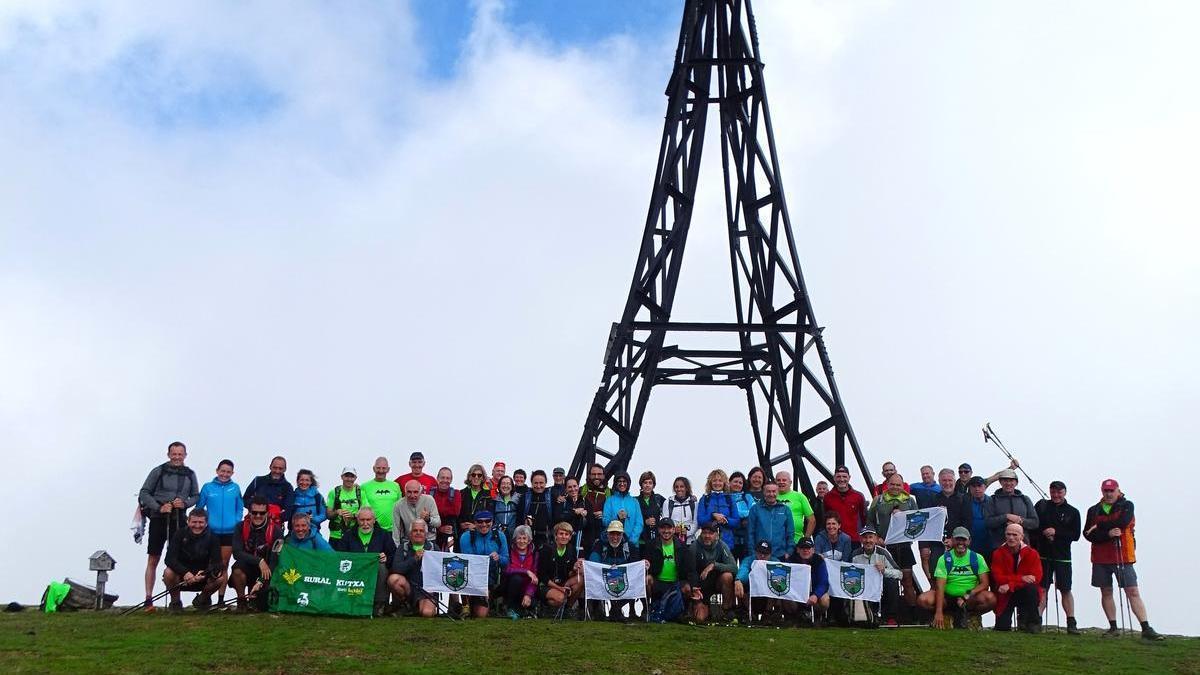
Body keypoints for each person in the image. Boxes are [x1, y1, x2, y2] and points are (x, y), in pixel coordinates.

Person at [1084, 479, 1164, 640]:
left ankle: (1145, 627)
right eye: (1105, 490)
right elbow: (1087, 534)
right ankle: (1113, 627)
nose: (1108, 493)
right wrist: (1107, 533)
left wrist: (1098, 526)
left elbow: (1122, 523)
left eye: (1111, 490)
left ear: (1118, 490)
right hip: (1100, 557)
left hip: (1124, 555)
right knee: (1106, 591)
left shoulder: (1127, 505)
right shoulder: (1093, 510)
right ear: (1101, 491)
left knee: (1132, 591)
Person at [139, 441, 200, 610]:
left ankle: (175, 599)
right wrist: (159, 507)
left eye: (180, 454)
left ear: (185, 455)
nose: (177, 457)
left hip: (179, 519)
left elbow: (196, 495)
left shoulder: (190, 474)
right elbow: (144, 493)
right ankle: (148, 598)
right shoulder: (158, 471)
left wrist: (186, 504)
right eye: (174, 454)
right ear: (168, 454)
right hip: (159, 518)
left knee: (176, 558)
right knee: (153, 557)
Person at [917, 526, 995, 629]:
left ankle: (971, 615)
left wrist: (967, 595)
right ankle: (946, 615)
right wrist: (938, 612)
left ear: (969, 541)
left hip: (969, 599)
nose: (960, 543)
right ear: (952, 540)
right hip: (947, 597)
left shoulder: (977, 558)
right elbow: (940, 586)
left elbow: (985, 584)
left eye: (964, 540)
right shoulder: (944, 558)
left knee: (991, 598)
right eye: (958, 539)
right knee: (923, 600)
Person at [867, 473, 919, 620]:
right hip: (885, 547)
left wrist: (903, 515)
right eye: (892, 484)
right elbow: (869, 520)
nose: (895, 487)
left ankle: (912, 615)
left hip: (903, 546)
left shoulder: (910, 501)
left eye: (898, 485)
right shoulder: (878, 500)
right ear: (887, 485)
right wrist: (876, 537)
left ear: (903, 486)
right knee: (886, 580)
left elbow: (917, 520)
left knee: (907, 580)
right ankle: (889, 615)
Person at [1033, 479, 1081, 634]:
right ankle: (1037, 620)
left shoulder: (1073, 511)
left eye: (1059, 492)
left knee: (1065, 589)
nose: (1056, 495)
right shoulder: (1041, 506)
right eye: (1053, 491)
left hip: (1063, 556)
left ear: (1065, 492)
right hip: (1043, 555)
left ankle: (1071, 622)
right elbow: (1034, 527)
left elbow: (1075, 535)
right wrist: (1044, 533)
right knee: (1042, 588)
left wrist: (1056, 533)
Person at [332, 508, 398, 616]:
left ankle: (379, 604)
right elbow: (340, 556)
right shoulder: (348, 535)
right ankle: (349, 601)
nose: (365, 523)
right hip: (355, 571)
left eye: (368, 520)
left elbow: (393, 555)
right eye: (362, 520)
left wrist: (387, 558)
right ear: (357, 520)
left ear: (374, 520)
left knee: (382, 566)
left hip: (376, 573)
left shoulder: (384, 535)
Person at [195, 459, 241, 606]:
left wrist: (235, 521)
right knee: (210, 563)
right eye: (222, 471)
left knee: (224, 564)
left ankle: (221, 599)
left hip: (229, 532)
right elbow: (199, 507)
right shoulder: (207, 488)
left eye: (228, 472)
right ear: (217, 471)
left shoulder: (235, 488)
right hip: (211, 532)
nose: (225, 474)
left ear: (232, 473)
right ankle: (206, 596)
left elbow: (239, 507)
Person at [162, 508, 223, 611]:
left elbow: (217, 563)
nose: (197, 525)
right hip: (181, 576)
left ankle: (202, 600)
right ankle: (176, 603)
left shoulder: (213, 537)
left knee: (220, 578)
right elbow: (169, 559)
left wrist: (205, 573)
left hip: (202, 577)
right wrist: (185, 573)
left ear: (206, 523)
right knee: (168, 573)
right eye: (194, 522)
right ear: (188, 521)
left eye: (201, 522)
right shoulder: (179, 534)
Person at [230, 497, 282, 611]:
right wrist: (259, 561)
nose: (258, 516)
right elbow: (236, 553)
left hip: (267, 571)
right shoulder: (240, 527)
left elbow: (275, 561)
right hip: (247, 566)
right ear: (249, 512)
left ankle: (255, 599)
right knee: (237, 570)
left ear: (267, 513)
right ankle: (241, 601)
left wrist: (261, 581)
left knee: (262, 606)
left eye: (262, 513)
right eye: (254, 512)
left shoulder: (277, 531)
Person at [991, 522, 1043, 632]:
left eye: (1015, 535)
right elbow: (998, 577)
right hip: (1005, 594)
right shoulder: (998, 553)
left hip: (1021, 592)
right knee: (1002, 628)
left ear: (1021, 537)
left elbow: (1036, 578)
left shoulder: (1032, 553)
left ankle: (1033, 622)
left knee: (1031, 590)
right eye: (1008, 534)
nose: (1011, 538)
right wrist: (1022, 578)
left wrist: (1010, 584)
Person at [917, 468, 966, 581]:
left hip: (959, 543)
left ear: (954, 481)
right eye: (944, 480)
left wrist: (954, 540)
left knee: (958, 576)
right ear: (939, 481)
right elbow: (928, 522)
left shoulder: (964, 499)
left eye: (950, 480)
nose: (947, 483)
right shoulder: (933, 499)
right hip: (938, 544)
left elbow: (966, 522)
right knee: (936, 574)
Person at [458, 510, 509, 618]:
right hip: (471, 577)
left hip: (490, 577)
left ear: (492, 521)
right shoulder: (466, 537)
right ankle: (465, 604)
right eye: (480, 522)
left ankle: (485, 601)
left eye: (487, 521)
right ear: (475, 523)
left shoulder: (500, 536)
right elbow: (468, 561)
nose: (484, 524)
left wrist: (498, 557)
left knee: (481, 615)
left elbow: (506, 561)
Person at [589, 520, 642, 621]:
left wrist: (643, 564)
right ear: (607, 534)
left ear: (622, 534)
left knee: (636, 581)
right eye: (612, 534)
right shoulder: (599, 545)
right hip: (604, 578)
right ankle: (597, 610)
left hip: (623, 579)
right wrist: (608, 568)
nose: (615, 537)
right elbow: (593, 562)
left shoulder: (630, 546)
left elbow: (635, 564)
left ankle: (616, 609)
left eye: (618, 534)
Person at [851, 526, 903, 626]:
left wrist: (884, 571)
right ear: (861, 539)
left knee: (892, 582)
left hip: (881, 585)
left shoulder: (883, 553)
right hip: (863, 585)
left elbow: (899, 574)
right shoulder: (855, 554)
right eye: (865, 538)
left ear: (875, 539)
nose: (868, 541)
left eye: (870, 537)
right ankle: (861, 615)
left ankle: (890, 617)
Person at [646, 518, 695, 622]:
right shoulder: (651, 545)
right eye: (663, 528)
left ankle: (685, 611)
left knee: (687, 588)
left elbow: (690, 569)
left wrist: (693, 585)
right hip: (658, 582)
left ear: (673, 530)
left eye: (669, 528)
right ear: (659, 530)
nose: (666, 531)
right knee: (647, 579)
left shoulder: (682, 546)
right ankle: (648, 608)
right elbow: (645, 566)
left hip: (676, 583)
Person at [390, 519, 438, 617]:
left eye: (421, 531)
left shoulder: (434, 548)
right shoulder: (403, 547)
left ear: (426, 534)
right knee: (393, 579)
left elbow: (440, 571)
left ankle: (418, 608)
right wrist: (414, 558)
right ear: (410, 533)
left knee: (427, 613)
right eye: (415, 530)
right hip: (409, 588)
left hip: (427, 590)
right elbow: (396, 568)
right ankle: (405, 605)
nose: (418, 533)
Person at [691, 522, 736, 623]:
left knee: (727, 576)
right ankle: (698, 608)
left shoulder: (722, 546)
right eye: (704, 533)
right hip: (701, 587)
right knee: (700, 619)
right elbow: (690, 571)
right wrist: (695, 588)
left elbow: (734, 567)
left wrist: (714, 565)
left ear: (716, 535)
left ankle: (726, 611)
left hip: (717, 583)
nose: (707, 536)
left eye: (710, 533)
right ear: (701, 533)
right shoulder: (694, 546)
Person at [984, 469, 1039, 550]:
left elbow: (1035, 523)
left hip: (1023, 548)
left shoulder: (1025, 499)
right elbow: (988, 522)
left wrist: (1019, 520)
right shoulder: (992, 500)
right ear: (1000, 482)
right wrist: (1006, 517)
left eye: (1011, 480)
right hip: (999, 548)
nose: (1008, 483)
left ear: (1016, 483)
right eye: (1005, 480)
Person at [539, 522, 583, 614]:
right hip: (546, 584)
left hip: (562, 582)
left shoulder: (571, 549)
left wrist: (575, 568)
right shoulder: (547, 549)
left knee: (580, 580)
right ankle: (544, 607)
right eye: (561, 534)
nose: (564, 537)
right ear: (556, 535)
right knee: (560, 598)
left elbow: (569, 573)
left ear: (570, 537)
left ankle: (568, 609)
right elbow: (542, 577)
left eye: (566, 534)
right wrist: (560, 588)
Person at [786, 537, 831, 625]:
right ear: (798, 550)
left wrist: (816, 595)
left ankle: (818, 616)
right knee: (786, 598)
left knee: (825, 599)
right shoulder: (791, 561)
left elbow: (824, 582)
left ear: (813, 550)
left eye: (808, 548)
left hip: (814, 593)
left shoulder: (819, 560)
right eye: (803, 548)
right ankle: (793, 617)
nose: (805, 550)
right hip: (797, 594)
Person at [735, 539, 780, 622]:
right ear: (755, 552)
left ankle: (768, 613)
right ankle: (749, 612)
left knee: (777, 587)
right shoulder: (748, 560)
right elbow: (743, 569)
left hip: (767, 595)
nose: (762, 556)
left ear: (770, 554)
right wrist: (739, 580)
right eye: (760, 553)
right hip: (751, 593)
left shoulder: (776, 562)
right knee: (741, 585)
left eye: (765, 554)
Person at [745, 482, 793, 558]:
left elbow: (790, 533)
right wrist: (752, 553)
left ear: (777, 492)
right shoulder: (755, 509)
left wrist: (789, 552)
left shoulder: (785, 509)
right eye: (768, 491)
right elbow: (750, 532)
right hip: (760, 555)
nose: (771, 494)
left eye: (774, 491)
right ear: (764, 492)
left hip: (780, 554)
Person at [696, 469, 740, 551]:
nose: (717, 483)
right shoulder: (705, 499)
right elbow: (700, 520)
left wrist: (725, 519)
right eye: (714, 480)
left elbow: (736, 521)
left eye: (720, 480)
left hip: (727, 543)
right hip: (708, 543)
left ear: (724, 483)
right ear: (710, 482)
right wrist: (712, 515)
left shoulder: (730, 499)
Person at [241, 456, 292, 526]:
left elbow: (288, 511)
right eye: (275, 468)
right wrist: (258, 508)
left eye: (280, 468)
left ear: (285, 469)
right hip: (253, 524)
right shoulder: (258, 481)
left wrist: (275, 515)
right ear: (270, 467)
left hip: (274, 527)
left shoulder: (287, 487)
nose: (277, 471)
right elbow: (245, 499)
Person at [823, 465, 867, 546]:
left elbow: (864, 518)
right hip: (834, 540)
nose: (841, 479)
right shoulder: (827, 497)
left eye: (844, 476)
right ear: (834, 478)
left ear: (849, 477)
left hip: (854, 540)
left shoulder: (858, 496)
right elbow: (825, 518)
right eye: (838, 476)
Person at [502, 525, 540, 619]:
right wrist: (526, 571)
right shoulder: (509, 551)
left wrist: (528, 594)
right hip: (510, 585)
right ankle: (510, 607)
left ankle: (522, 609)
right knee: (517, 578)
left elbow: (535, 578)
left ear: (529, 540)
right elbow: (507, 570)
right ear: (515, 539)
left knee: (531, 603)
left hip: (526, 587)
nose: (522, 541)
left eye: (524, 538)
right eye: (519, 538)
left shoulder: (535, 553)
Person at [392, 480, 441, 547]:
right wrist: (397, 548)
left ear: (421, 492)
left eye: (415, 492)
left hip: (428, 540)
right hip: (409, 542)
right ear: (405, 492)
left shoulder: (429, 500)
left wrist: (428, 519)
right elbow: (396, 530)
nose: (412, 495)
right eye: (409, 492)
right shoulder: (398, 505)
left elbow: (438, 523)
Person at [602, 472, 644, 546]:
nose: (622, 484)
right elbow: (605, 521)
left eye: (624, 481)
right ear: (615, 483)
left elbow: (639, 523)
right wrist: (616, 518)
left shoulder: (634, 501)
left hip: (632, 544)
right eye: (619, 481)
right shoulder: (609, 500)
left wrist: (631, 541)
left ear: (628, 483)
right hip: (613, 544)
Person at [362, 457, 401, 534]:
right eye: (378, 468)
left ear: (388, 469)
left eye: (384, 468)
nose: (381, 471)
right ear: (373, 469)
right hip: (373, 530)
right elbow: (362, 509)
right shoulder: (364, 487)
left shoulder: (395, 486)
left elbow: (400, 506)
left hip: (392, 531)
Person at [326, 467, 363, 544]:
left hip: (355, 534)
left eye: (352, 476)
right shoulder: (334, 492)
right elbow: (328, 514)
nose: (349, 479)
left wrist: (352, 515)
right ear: (342, 477)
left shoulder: (360, 493)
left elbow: (366, 511)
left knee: (353, 556)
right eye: (346, 476)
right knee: (335, 556)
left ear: (355, 478)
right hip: (336, 536)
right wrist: (337, 512)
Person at [774, 471, 814, 541]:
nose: (781, 482)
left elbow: (811, 520)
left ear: (790, 482)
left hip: (796, 541)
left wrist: (806, 539)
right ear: (775, 482)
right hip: (775, 541)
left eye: (784, 480)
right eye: (778, 480)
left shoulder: (800, 496)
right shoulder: (771, 496)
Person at [284, 469, 327, 534]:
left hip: (314, 531)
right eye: (301, 480)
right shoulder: (293, 496)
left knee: (324, 544)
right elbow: (287, 514)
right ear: (297, 481)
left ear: (311, 482)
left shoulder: (317, 496)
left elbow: (324, 514)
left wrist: (313, 519)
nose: (304, 483)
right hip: (295, 532)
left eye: (307, 480)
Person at [520, 469, 554, 548]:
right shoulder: (525, 497)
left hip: (547, 539)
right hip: (527, 539)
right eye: (535, 483)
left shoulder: (551, 497)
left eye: (541, 483)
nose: (538, 486)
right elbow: (519, 518)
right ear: (531, 483)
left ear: (546, 483)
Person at [553, 477, 588, 551]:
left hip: (581, 541)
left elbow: (591, 524)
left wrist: (586, 516)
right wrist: (574, 512)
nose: (573, 489)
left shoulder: (585, 502)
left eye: (575, 486)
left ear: (578, 486)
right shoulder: (562, 502)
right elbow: (557, 518)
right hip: (564, 541)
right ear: (565, 489)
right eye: (569, 487)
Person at [580, 464, 609, 553]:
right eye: (593, 474)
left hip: (603, 536)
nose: (596, 477)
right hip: (584, 537)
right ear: (589, 475)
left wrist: (604, 514)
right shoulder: (581, 491)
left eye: (599, 474)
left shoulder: (610, 493)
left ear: (604, 476)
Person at [963, 476, 993, 559]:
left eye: (979, 486)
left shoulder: (992, 501)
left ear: (984, 487)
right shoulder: (964, 502)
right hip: (971, 545)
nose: (977, 489)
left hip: (989, 545)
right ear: (970, 488)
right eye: (973, 486)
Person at [431, 467, 461, 551]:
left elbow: (456, 511)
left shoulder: (456, 493)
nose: (445, 480)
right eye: (442, 477)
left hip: (450, 532)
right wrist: (439, 528)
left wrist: (436, 510)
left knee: (448, 559)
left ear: (451, 480)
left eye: (448, 478)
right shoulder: (431, 494)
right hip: (433, 532)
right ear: (437, 478)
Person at [663, 476, 699, 544]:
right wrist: (673, 530)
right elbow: (665, 521)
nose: (679, 489)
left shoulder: (694, 503)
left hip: (690, 542)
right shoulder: (668, 503)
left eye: (682, 486)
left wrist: (687, 532)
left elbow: (696, 523)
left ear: (686, 488)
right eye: (676, 487)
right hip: (673, 541)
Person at [728, 472, 755, 559]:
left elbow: (753, 511)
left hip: (745, 538)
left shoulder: (747, 497)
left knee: (746, 566)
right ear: (729, 482)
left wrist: (736, 515)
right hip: (730, 538)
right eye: (735, 482)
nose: (738, 484)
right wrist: (743, 514)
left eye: (740, 483)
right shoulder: (725, 497)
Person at [458, 463, 492, 531]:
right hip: (463, 532)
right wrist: (460, 524)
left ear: (482, 478)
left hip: (481, 532)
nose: (476, 477)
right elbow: (457, 514)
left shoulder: (487, 495)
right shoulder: (461, 493)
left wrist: (475, 526)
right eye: (473, 475)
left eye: (479, 475)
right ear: (469, 477)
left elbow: (490, 517)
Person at [636, 471, 665, 549]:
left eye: (650, 483)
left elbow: (673, 503)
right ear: (641, 484)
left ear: (653, 485)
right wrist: (645, 522)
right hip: (640, 540)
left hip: (656, 540)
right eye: (645, 482)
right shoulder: (635, 500)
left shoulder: (658, 498)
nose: (647, 485)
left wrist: (690, 496)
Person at [491, 475, 521, 541]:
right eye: (503, 483)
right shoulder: (494, 501)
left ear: (512, 486)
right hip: (497, 536)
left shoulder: (519, 500)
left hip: (515, 537)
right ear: (499, 486)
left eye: (508, 484)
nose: (505, 486)